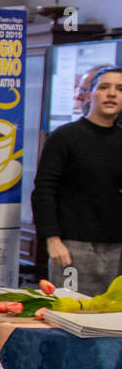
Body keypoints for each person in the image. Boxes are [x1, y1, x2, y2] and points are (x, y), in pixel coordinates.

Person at [32, 66, 122, 296]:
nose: (112, 94)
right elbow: (44, 190)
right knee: (72, 316)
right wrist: (52, 240)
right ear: (89, 94)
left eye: (120, 89)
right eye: (104, 87)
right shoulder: (65, 137)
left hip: (117, 247)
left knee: (111, 322)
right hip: (73, 247)